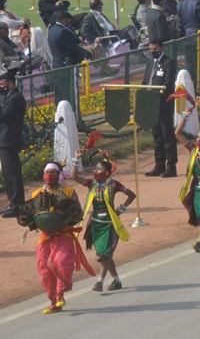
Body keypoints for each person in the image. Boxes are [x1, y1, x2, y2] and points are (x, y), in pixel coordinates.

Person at [16, 162, 93, 314]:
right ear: (43, 175)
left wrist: (62, 220)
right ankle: (54, 301)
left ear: (58, 175)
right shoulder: (36, 194)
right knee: (44, 269)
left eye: (53, 172)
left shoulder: (69, 192)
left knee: (61, 262)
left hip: (63, 234)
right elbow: (29, 214)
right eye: (47, 172)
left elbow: (77, 214)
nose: (50, 175)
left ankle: (60, 294)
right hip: (45, 237)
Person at [72, 152, 136, 291]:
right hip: (95, 222)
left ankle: (99, 281)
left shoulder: (114, 184)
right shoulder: (91, 183)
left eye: (99, 169)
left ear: (107, 172)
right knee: (104, 254)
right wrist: (76, 160)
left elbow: (132, 195)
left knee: (104, 253)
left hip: (109, 222)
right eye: (95, 168)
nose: (96, 171)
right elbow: (74, 177)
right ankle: (116, 280)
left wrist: (121, 209)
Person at [174, 115, 200, 246]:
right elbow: (177, 133)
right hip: (196, 188)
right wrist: (184, 118)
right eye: (198, 137)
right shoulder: (193, 150)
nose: (198, 140)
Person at [142, 39, 178, 178]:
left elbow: (168, 84)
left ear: (161, 48)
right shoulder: (150, 63)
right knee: (157, 136)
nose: (152, 52)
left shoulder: (169, 63)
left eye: (155, 49)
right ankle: (159, 165)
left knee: (167, 135)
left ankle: (171, 166)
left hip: (163, 105)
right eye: (150, 49)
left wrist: (156, 95)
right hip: (151, 105)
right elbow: (145, 81)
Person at [0, 68, 25, 218]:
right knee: (8, 174)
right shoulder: (10, 95)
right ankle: (13, 202)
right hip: (5, 140)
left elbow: (4, 116)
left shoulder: (16, 98)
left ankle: (17, 204)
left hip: (9, 140)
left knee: (13, 174)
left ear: (9, 83)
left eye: (2, 83)